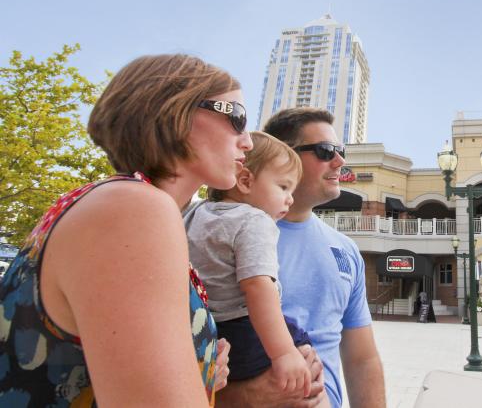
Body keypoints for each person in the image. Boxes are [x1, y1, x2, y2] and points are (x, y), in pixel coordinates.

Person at [0, 54, 251, 405]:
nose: (247, 142)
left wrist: (199, 365)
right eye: (237, 118)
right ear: (173, 109)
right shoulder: (134, 209)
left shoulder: (111, 203)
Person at [219, 108, 385, 408]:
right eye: (325, 151)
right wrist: (248, 396)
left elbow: (362, 360)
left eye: (340, 150)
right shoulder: (221, 237)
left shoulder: (345, 250)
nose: (340, 161)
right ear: (285, 156)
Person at [184, 132, 328, 405]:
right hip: (246, 330)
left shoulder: (194, 212)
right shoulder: (254, 220)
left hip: (203, 329)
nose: (290, 200)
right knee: (305, 363)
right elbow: (258, 287)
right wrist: (284, 353)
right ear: (246, 181)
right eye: (283, 187)